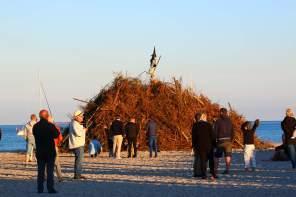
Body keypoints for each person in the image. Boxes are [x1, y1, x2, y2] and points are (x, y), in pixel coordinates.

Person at [33, 110, 59, 194]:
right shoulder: (50, 125)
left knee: (40, 171)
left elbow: (34, 134)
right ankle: (50, 188)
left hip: (40, 151)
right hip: (50, 152)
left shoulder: (35, 126)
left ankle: (40, 189)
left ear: (39, 116)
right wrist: (52, 123)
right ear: (47, 116)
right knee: (50, 171)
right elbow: (56, 134)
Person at [192, 113, 216, 179]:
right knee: (211, 160)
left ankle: (204, 175)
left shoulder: (195, 125)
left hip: (200, 145)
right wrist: (214, 144)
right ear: (205, 118)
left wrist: (193, 146)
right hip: (209, 145)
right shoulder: (209, 125)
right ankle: (213, 173)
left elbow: (193, 137)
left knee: (203, 160)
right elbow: (212, 136)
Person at [214, 108, 234, 175]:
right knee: (228, 155)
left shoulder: (218, 121)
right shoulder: (230, 121)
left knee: (217, 156)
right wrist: (232, 141)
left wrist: (215, 141)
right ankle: (227, 169)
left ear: (222, 112)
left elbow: (215, 132)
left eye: (220, 112)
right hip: (228, 141)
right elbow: (233, 132)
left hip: (220, 141)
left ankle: (215, 170)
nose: (219, 113)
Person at [69, 110, 88, 179]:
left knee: (79, 160)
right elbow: (78, 133)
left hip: (78, 144)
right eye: (81, 116)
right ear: (76, 117)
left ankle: (78, 174)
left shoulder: (75, 123)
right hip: (77, 145)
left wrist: (82, 128)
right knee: (79, 160)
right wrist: (84, 130)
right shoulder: (74, 124)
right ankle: (77, 175)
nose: (82, 117)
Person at [48, 116, 63, 182]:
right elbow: (60, 138)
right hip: (54, 146)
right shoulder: (56, 127)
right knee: (56, 163)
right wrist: (58, 143)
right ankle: (60, 177)